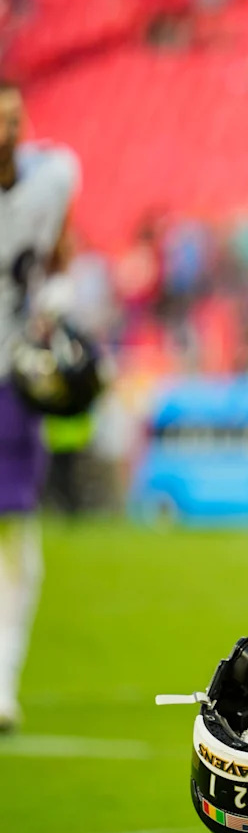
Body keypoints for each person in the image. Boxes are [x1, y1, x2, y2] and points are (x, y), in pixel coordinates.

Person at [0, 79, 79, 729]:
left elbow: (58, 251)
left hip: (11, 377)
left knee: (15, 533)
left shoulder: (49, 181)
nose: (8, 132)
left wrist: (53, 305)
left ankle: (3, 678)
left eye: (14, 119)